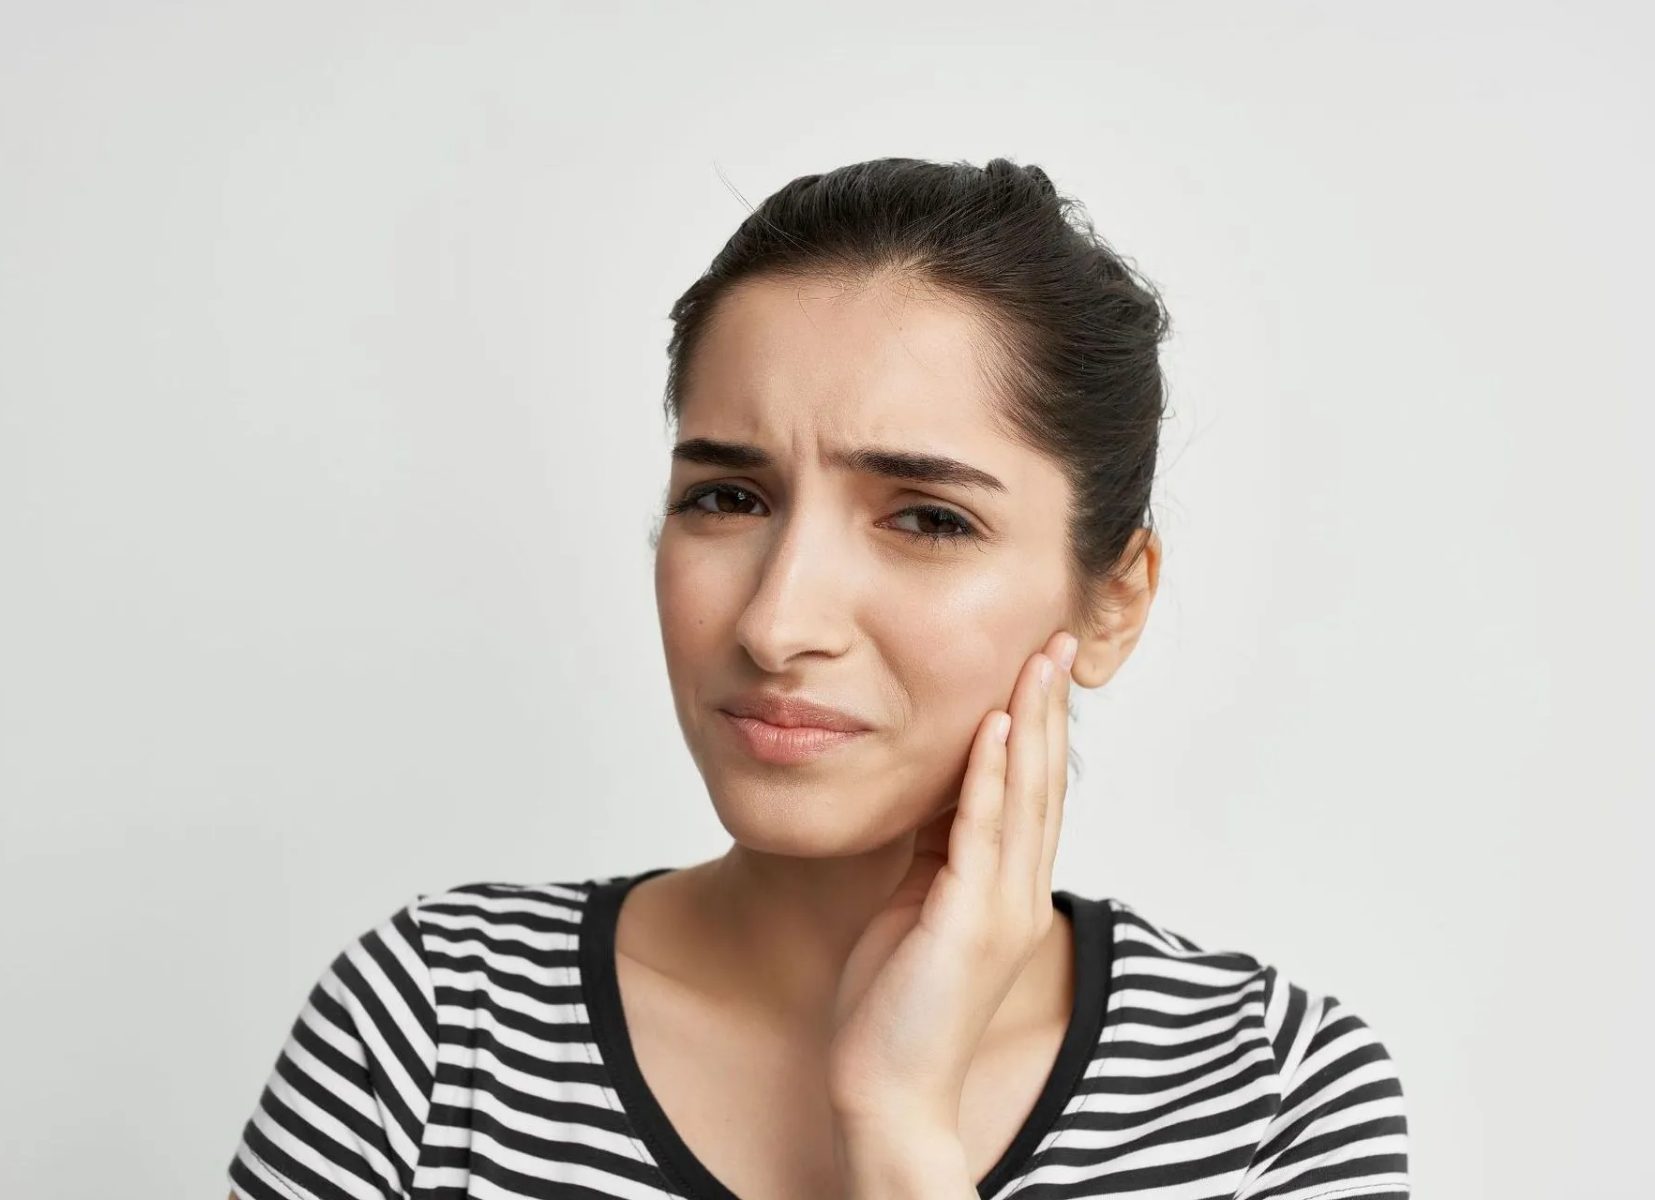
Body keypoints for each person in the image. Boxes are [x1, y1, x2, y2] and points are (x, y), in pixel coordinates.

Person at [225, 157, 1409, 1200]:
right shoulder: (435, 1033)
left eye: (927, 519)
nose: (778, 621)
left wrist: (895, 1130)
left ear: (1114, 603)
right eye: (727, 498)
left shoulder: (1269, 1096)